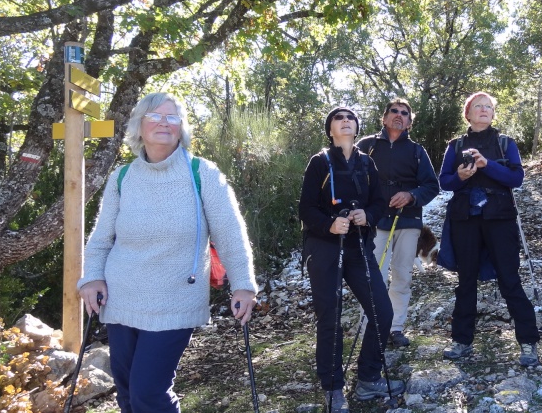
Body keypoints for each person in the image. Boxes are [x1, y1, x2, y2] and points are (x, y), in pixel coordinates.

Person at [77, 93, 258, 412]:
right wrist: (91, 278)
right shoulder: (122, 178)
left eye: (172, 117)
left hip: (175, 299)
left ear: (181, 128)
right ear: (139, 126)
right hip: (122, 299)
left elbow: (230, 232)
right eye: (155, 116)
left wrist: (243, 284)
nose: (164, 122)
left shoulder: (203, 174)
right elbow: (102, 238)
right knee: (127, 391)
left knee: (148, 391)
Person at [299, 107, 406, 413]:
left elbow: (377, 203)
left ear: (357, 127)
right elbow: (306, 208)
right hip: (324, 249)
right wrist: (329, 224)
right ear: (330, 129)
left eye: (350, 118)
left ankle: (369, 377)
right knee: (330, 319)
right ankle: (333, 388)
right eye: (338, 118)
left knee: (382, 312)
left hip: (359, 248)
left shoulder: (366, 162)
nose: (345, 121)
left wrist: (366, 216)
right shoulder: (319, 162)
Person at [438, 91, 541, 367]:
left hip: (500, 219)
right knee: (466, 281)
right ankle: (461, 342)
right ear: (468, 113)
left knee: (509, 280)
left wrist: (487, 165)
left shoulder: (505, 143)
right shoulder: (455, 144)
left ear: (493, 114)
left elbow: (516, 178)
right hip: (465, 219)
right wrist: (460, 176)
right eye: (477, 106)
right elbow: (445, 182)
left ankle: (529, 342)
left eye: (488, 107)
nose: (483, 110)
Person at [357, 98, 440, 348]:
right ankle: (371, 327)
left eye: (405, 113)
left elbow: (431, 186)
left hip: (408, 220)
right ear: (384, 117)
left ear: (410, 123)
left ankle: (395, 328)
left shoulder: (417, 151)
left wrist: (411, 195)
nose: (399, 115)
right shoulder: (366, 146)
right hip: (373, 221)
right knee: (374, 276)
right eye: (394, 111)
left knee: (402, 276)